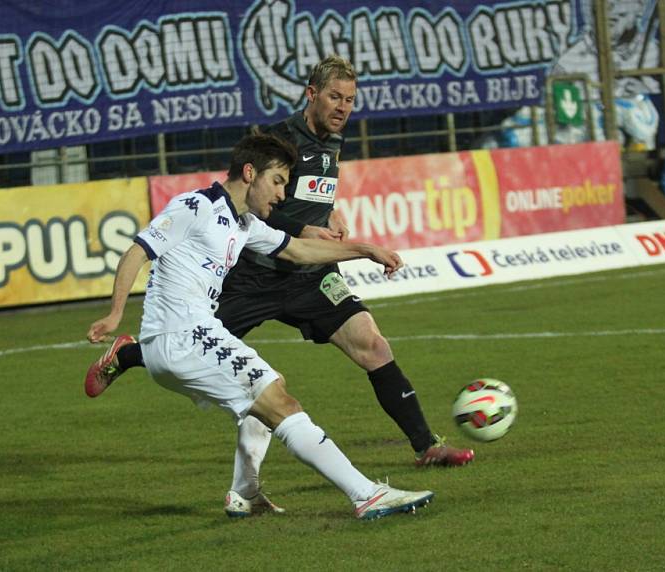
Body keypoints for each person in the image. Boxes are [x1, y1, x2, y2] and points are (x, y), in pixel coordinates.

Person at [86, 54, 474, 519]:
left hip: (306, 278)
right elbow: (221, 222)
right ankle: (129, 354)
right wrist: (114, 314)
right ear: (312, 94)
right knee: (240, 375)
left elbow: (302, 228)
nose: (343, 107)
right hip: (248, 282)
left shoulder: (323, 153)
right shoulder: (260, 158)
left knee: (364, 347)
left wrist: (351, 236)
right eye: (335, 97)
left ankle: (420, 446)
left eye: (350, 100)